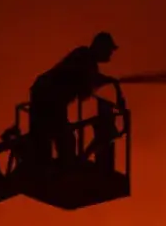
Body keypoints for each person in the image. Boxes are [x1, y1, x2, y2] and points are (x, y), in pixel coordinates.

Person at [27, 32, 120, 165]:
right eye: (109, 50)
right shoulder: (84, 56)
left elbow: (84, 84)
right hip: (49, 97)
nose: (110, 55)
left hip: (48, 95)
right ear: (101, 47)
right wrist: (101, 80)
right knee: (61, 138)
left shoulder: (85, 58)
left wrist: (99, 80)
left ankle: (53, 166)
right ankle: (60, 168)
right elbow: (84, 86)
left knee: (51, 137)